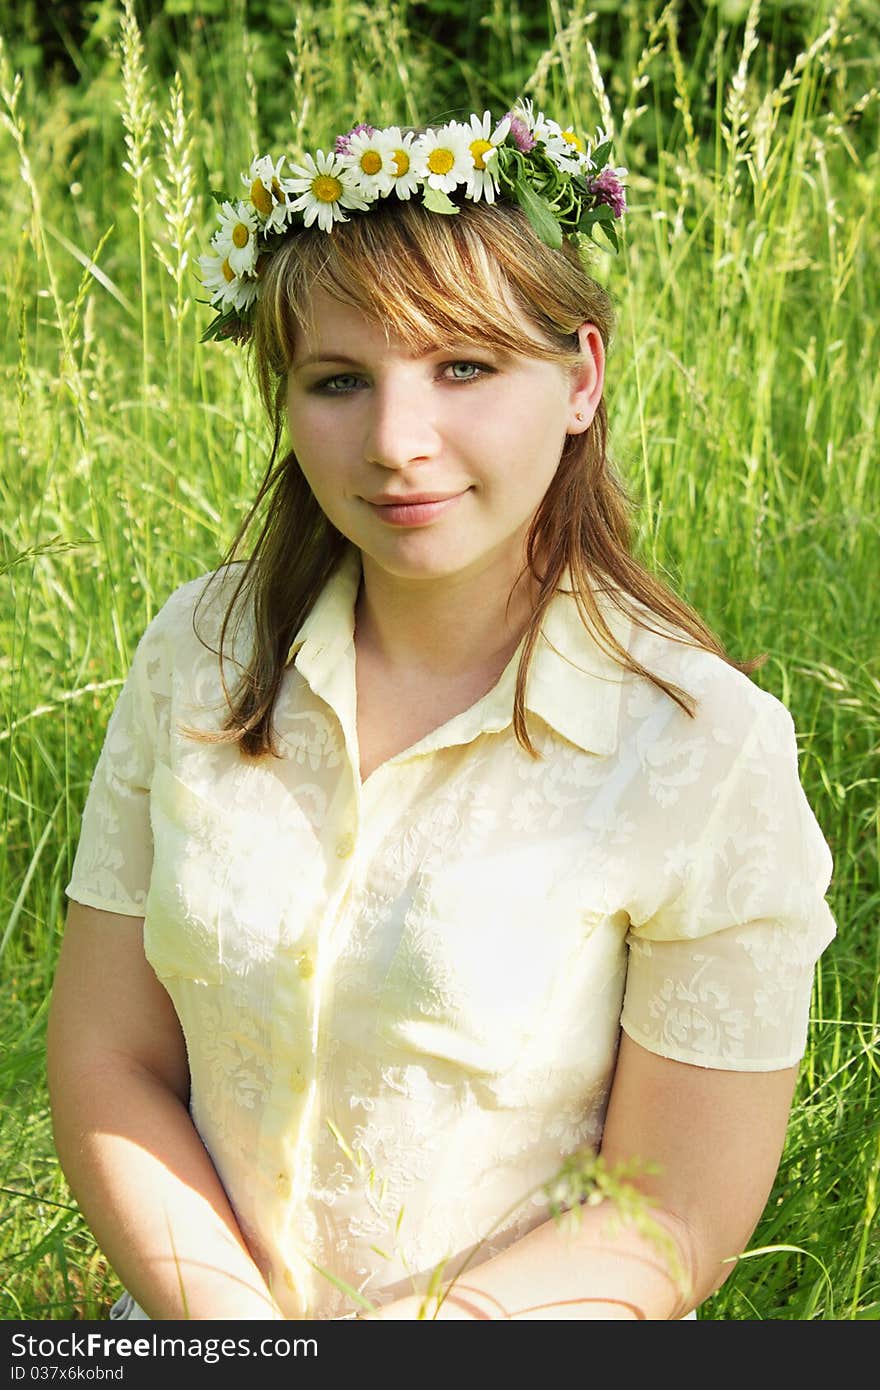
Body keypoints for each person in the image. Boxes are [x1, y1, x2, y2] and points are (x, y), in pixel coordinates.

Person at [47, 105, 837, 1322]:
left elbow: (668, 1211)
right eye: (338, 381)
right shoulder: (194, 656)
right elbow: (112, 1060)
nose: (395, 441)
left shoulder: (701, 749)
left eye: (461, 367)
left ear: (579, 378)